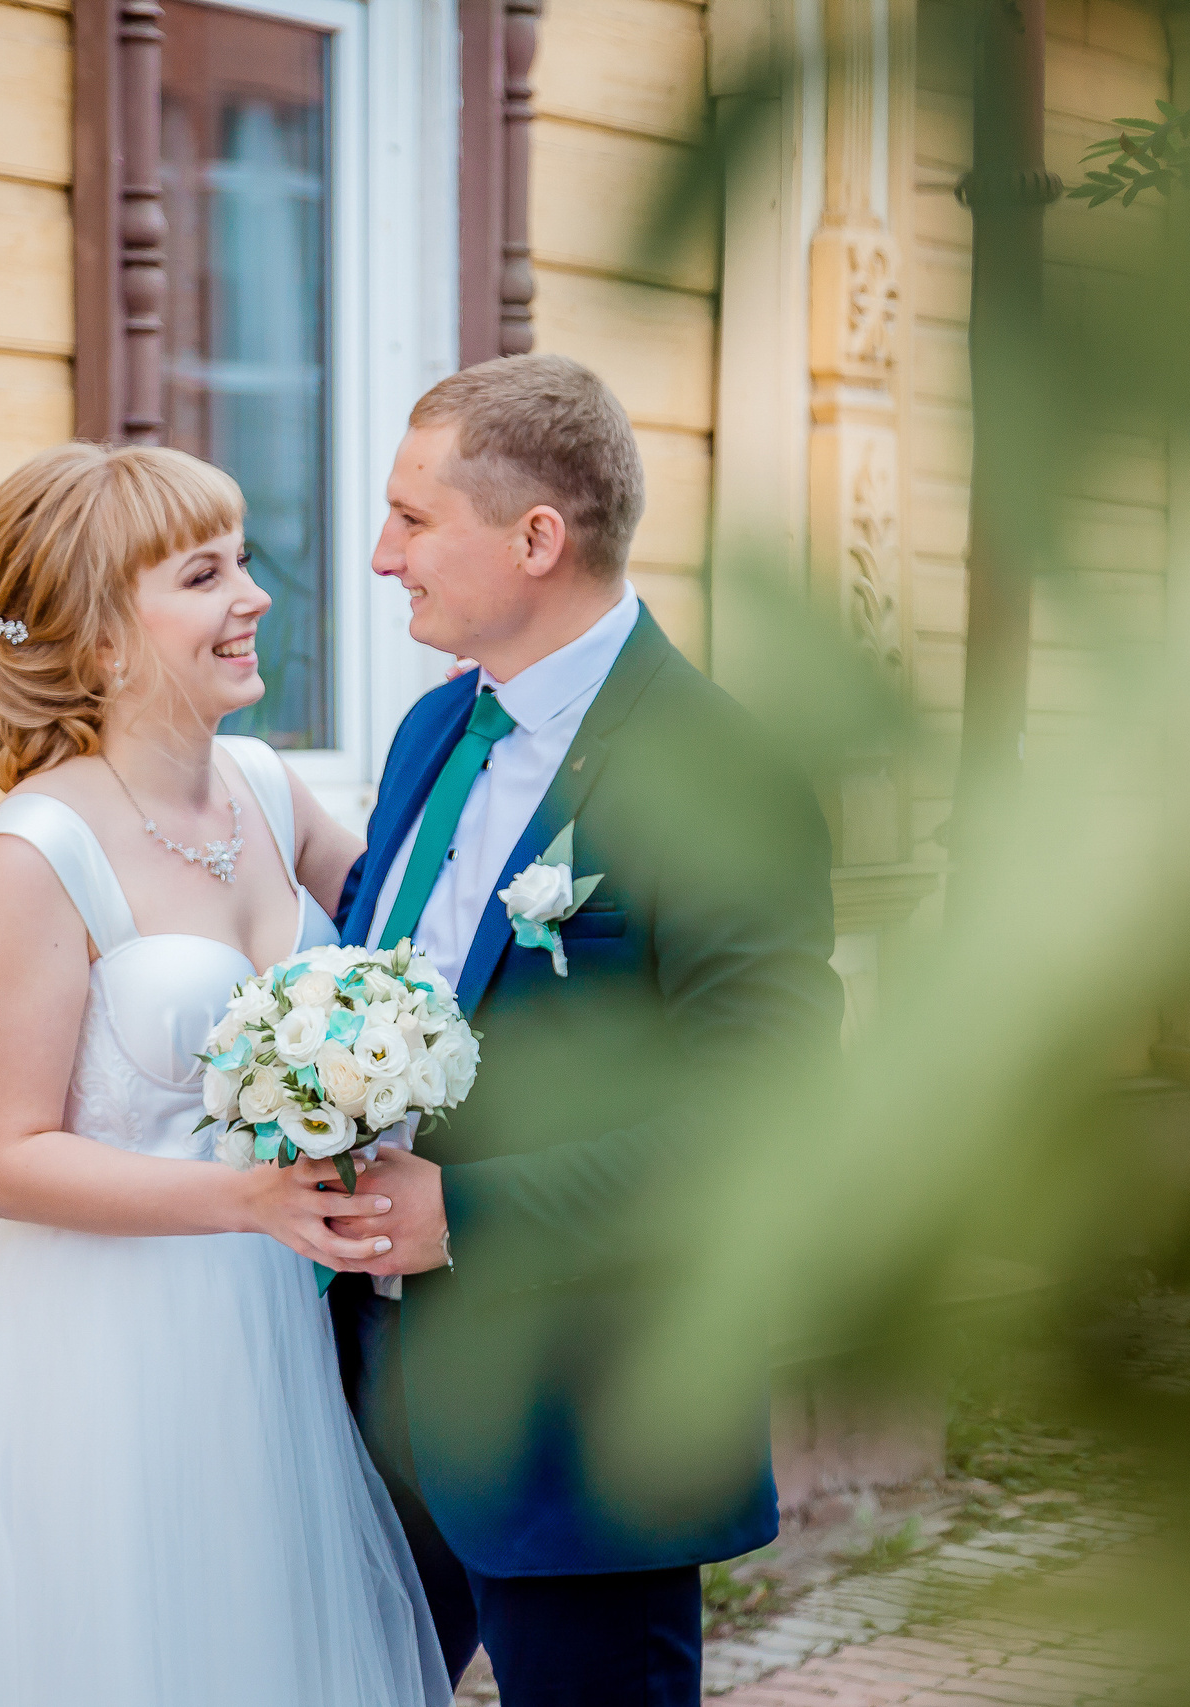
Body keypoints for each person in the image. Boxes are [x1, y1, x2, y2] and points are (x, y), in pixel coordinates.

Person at [0, 443, 448, 1706]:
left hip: (278, 1333)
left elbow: (414, 952)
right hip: (108, 1354)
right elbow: (2, 1159)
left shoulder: (272, 791)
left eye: (245, 560)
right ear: (106, 644)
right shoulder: (32, 857)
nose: (253, 595)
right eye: (206, 574)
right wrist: (251, 1202)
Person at [328, 355, 846, 1706]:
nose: (384, 556)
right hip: (367, 1393)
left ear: (536, 537)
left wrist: (473, 1213)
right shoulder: (430, 733)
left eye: (411, 518)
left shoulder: (720, 772)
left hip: (584, 1417)